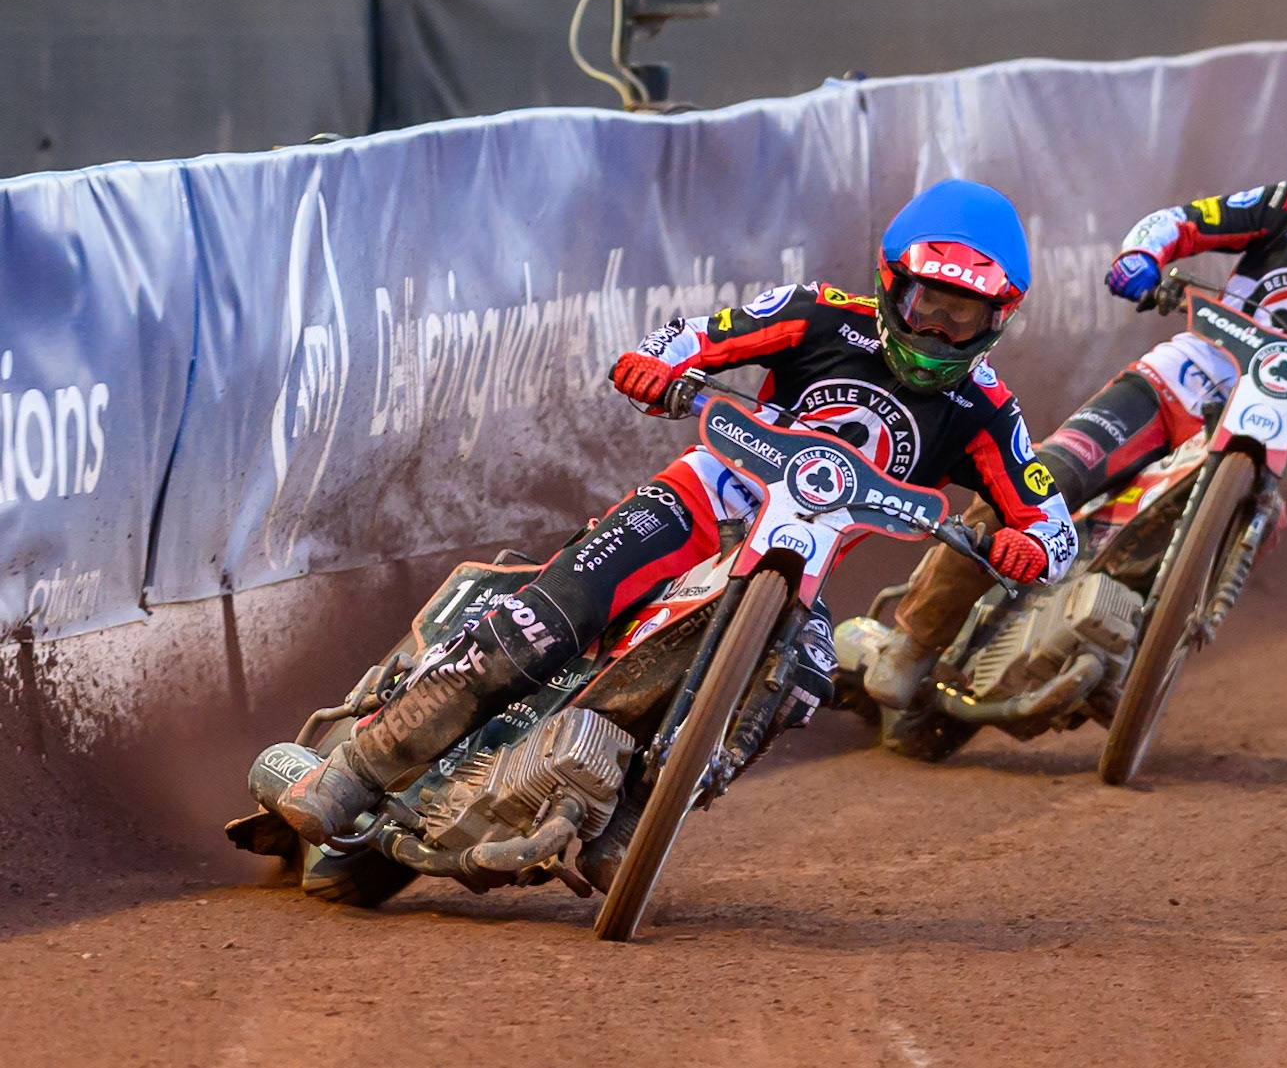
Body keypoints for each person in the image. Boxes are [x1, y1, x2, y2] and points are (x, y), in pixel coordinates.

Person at [276, 178, 1079, 872]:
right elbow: (695, 336)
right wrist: (660, 365)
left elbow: (1052, 521)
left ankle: (632, 813)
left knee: (801, 677)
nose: (938, 329)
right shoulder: (822, 317)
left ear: (998, 320)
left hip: (799, 566)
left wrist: (1029, 544)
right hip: (702, 502)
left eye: (962, 317)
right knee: (548, 618)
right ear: (892, 286)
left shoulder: (987, 411)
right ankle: (355, 771)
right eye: (927, 304)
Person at [864, 108, 1287, 712]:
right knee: (1045, 478)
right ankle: (914, 641)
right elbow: (1181, 221)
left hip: (1263, 445)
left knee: (1265, 521)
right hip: (1179, 383)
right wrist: (1144, 256)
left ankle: (1137, 653)